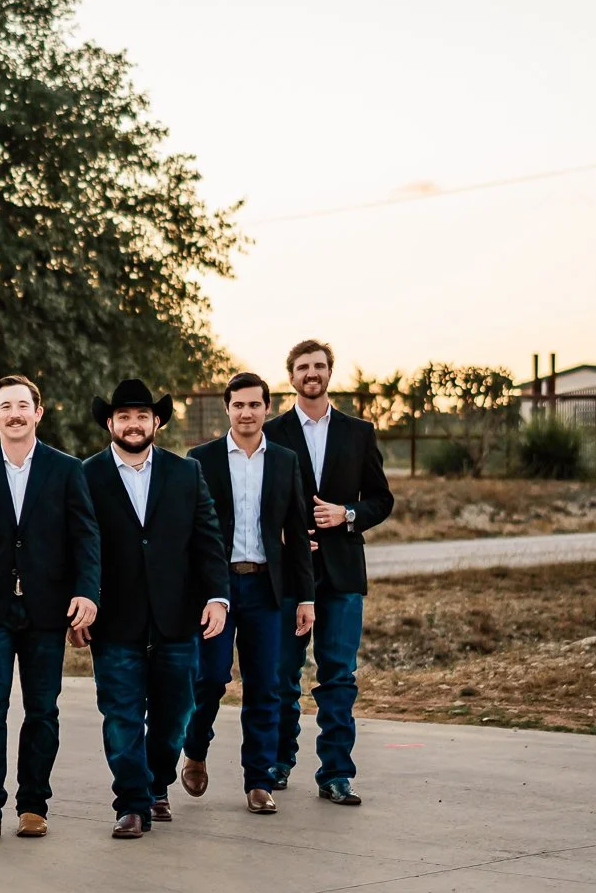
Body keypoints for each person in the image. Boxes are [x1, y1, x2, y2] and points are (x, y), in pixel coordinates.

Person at [74, 378, 228, 838]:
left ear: (156, 421)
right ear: (110, 423)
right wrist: (79, 606)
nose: (134, 424)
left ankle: (156, 784)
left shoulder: (186, 473)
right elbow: (78, 545)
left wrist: (217, 597)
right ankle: (132, 804)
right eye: (124, 417)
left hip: (177, 618)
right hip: (114, 619)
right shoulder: (86, 475)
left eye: (142, 416)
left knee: (173, 717)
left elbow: (208, 540)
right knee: (121, 715)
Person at [0, 375, 100, 840]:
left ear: (38, 412)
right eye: (5, 406)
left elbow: (85, 537)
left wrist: (87, 592)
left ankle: (34, 804)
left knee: (42, 709)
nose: (15, 413)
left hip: (46, 609)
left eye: (23, 405)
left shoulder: (65, 469)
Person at [263, 339, 395, 805]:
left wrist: (347, 514)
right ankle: (278, 762)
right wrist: (281, 534)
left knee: (338, 675)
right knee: (282, 674)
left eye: (319, 366)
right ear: (292, 375)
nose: (311, 373)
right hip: (287, 577)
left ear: (328, 372)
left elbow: (382, 499)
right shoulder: (271, 431)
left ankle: (336, 772)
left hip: (341, 575)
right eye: (303, 367)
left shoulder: (358, 432)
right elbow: (255, 499)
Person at [181, 372, 316, 814]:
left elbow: (296, 531)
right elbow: (189, 534)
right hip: (216, 591)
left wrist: (306, 597)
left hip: (266, 588)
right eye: (238, 405)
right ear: (227, 408)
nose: (246, 412)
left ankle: (258, 781)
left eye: (255, 405)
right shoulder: (200, 460)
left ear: (267, 408)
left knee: (266, 686)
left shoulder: (284, 460)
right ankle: (195, 750)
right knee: (211, 678)